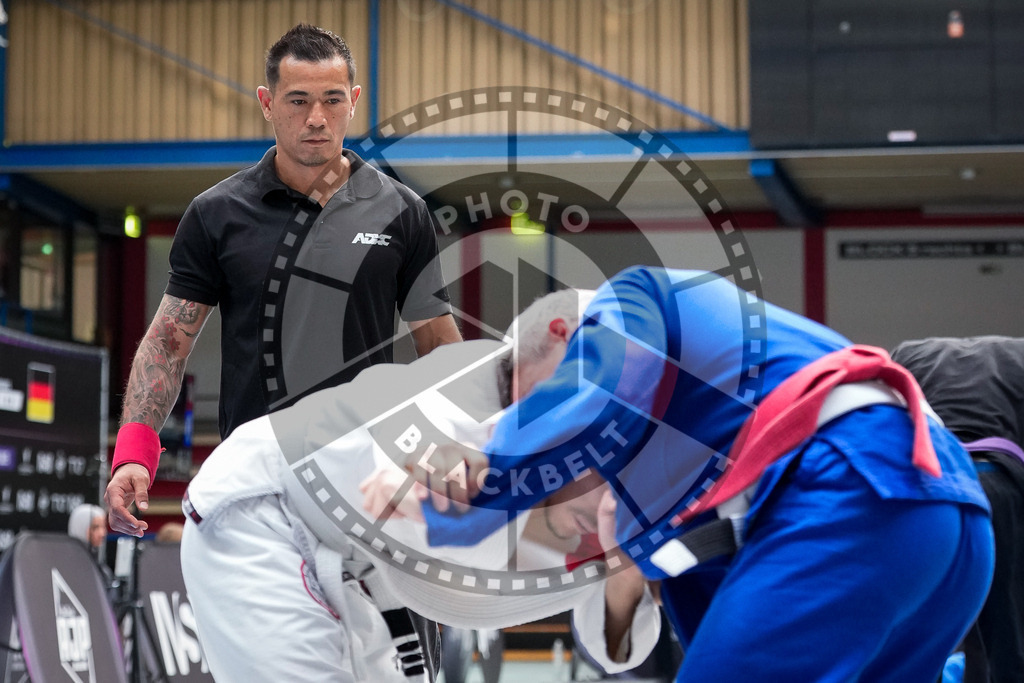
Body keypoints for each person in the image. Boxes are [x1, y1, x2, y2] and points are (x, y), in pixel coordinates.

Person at [404, 266, 994, 682]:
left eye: (532, 398)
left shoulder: (630, 299)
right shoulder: (680, 467)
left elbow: (590, 395)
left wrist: (474, 478)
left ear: (565, 334)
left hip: (858, 487)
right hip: (950, 518)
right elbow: (669, 632)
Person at [104, 23, 460, 537]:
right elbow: (166, 343)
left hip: (366, 483)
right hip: (253, 486)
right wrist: (133, 454)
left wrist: (464, 445)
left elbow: (438, 345)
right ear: (267, 102)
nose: (316, 118)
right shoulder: (216, 214)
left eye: (332, 99)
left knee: (382, 622)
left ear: (354, 100)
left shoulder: (401, 211)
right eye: (297, 101)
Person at [178, 338, 652, 682]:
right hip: (267, 511)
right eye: (605, 475)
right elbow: (393, 461)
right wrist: (426, 484)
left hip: (365, 570)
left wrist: (624, 574)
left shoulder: (618, 527)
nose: (608, 504)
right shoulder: (494, 397)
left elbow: (614, 651)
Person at [892, 336, 1024, 683]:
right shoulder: (1020, 354)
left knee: (920, 633)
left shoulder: (908, 353)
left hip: (931, 487)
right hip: (998, 482)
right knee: (1006, 636)